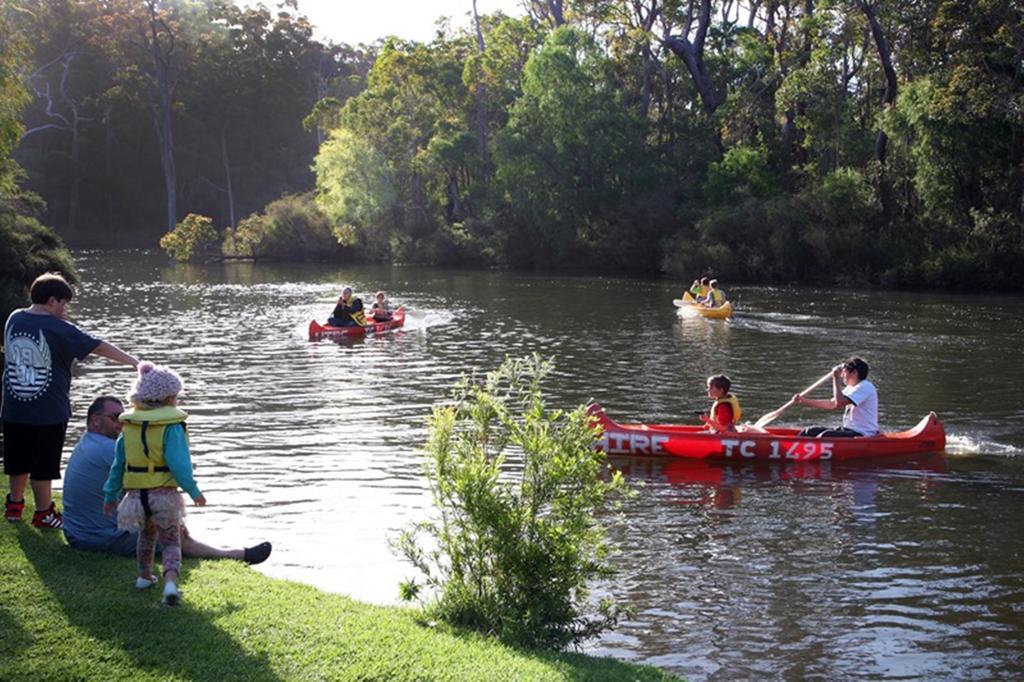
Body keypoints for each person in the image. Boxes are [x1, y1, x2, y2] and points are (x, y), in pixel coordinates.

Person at [65, 395, 271, 565]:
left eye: (123, 417)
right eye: (115, 417)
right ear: (96, 420)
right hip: (95, 538)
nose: (122, 422)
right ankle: (237, 555)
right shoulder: (107, 449)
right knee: (173, 536)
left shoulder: (89, 444)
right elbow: (153, 483)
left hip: (80, 532)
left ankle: (232, 552)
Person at [3, 272, 138, 529]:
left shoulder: (14, 318)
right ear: (52, 300)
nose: (65, 309)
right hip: (48, 409)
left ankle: (14, 505)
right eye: (63, 303)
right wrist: (133, 361)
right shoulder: (59, 327)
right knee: (44, 465)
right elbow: (98, 346)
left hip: (14, 406)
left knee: (17, 459)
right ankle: (44, 512)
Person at [103, 362, 206, 606]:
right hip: (164, 495)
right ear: (169, 398)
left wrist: (110, 496)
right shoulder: (171, 426)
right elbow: (179, 464)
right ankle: (170, 583)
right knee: (171, 539)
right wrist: (194, 491)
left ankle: (144, 577)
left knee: (146, 536)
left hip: (136, 498)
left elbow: (118, 465)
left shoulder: (129, 426)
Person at [793, 357, 879, 438]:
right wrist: (804, 401)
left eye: (844, 373)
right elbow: (831, 404)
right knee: (809, 431)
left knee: (825, 436)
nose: (842, 376)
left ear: (854, 372)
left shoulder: (865, 387)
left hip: (862, 433)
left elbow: (839, 403)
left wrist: (836, 379)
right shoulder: (851, 387)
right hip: (848, 430)